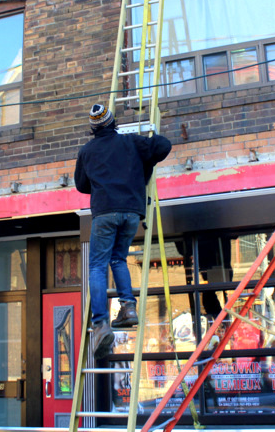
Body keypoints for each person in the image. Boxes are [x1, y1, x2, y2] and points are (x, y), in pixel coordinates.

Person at [75, 103, 172, 359]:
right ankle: (128, 308)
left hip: (105, 212)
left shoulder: (87, 151)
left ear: (93, 128)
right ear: (112, 122)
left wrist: (102, 183)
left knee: (97, 266)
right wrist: (143, 165)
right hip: (131, 211)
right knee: (118, 259)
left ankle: (100, 324)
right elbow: (163, 145)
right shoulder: (131, 142)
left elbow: (81, 185)